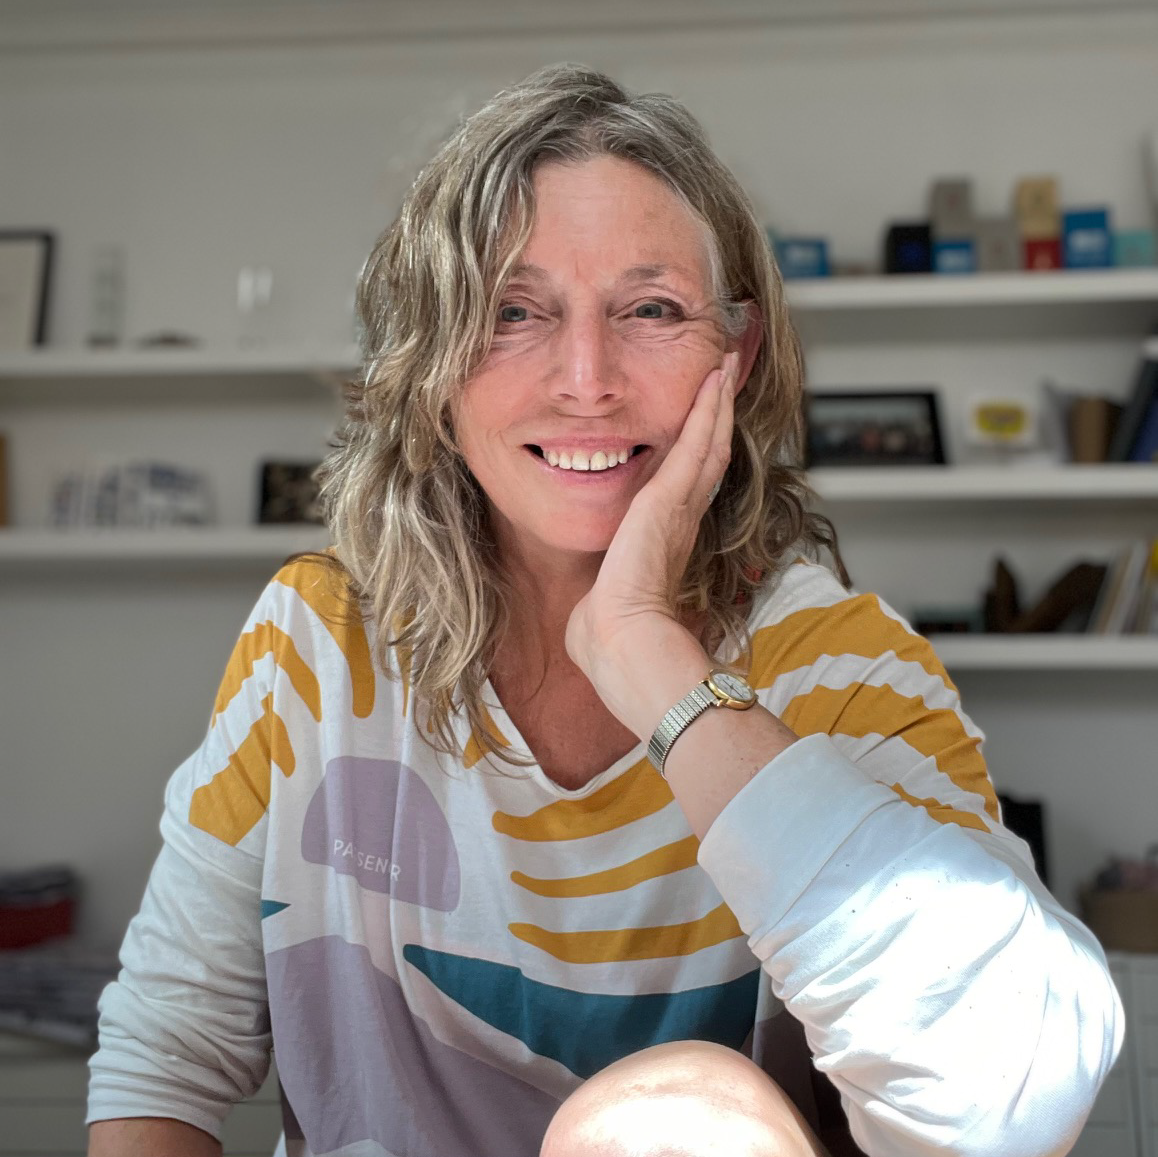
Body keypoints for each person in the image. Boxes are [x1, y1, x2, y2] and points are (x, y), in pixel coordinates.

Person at [86, 64, 1122, 1157]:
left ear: (736, 355)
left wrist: (647, 652)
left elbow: (1014, 1102)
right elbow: (163, 1061)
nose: (587, 379)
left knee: (676, 1112)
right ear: (434, 365)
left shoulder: (841, 667)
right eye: (513, 312)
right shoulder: (316, 641)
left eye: (651, 309)